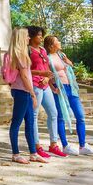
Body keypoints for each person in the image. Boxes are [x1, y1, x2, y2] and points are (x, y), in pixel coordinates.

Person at [45, 36, 93, 156]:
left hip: (70, 87)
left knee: (80, 116)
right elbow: (47, 74)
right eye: (57, 42)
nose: (60, 43)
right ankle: (65, 145)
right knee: (61, 117)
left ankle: (83, 145)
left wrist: (68, 62)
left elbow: (69, 66)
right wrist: (52, 88)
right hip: (59, 88)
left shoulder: (61, 55)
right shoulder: (47, 58)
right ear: (51, 45)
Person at [5, 28, 48, 164]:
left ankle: (33, 153)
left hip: (19, 90)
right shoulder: (20, 54)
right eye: (27, 36)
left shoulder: (12, 53)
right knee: (17, 123)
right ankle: (16, 154)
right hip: (23, 92)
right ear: (21, 38)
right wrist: (32, 93)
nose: (29, 38)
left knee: (29, 122)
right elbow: (24, 76)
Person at [26, 26, 64, 158]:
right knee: (34, 116)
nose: (41, 37)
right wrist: (41, 74)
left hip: (46, 85)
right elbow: (24, 70)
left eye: (42, 35)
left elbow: (47, 68)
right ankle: (36, 146)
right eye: (39, 35)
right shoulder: (27, 51)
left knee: (53, 113)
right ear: (31, 36)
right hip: (35, 85)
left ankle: (54, 144)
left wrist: (48, 78)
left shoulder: (42, 50)